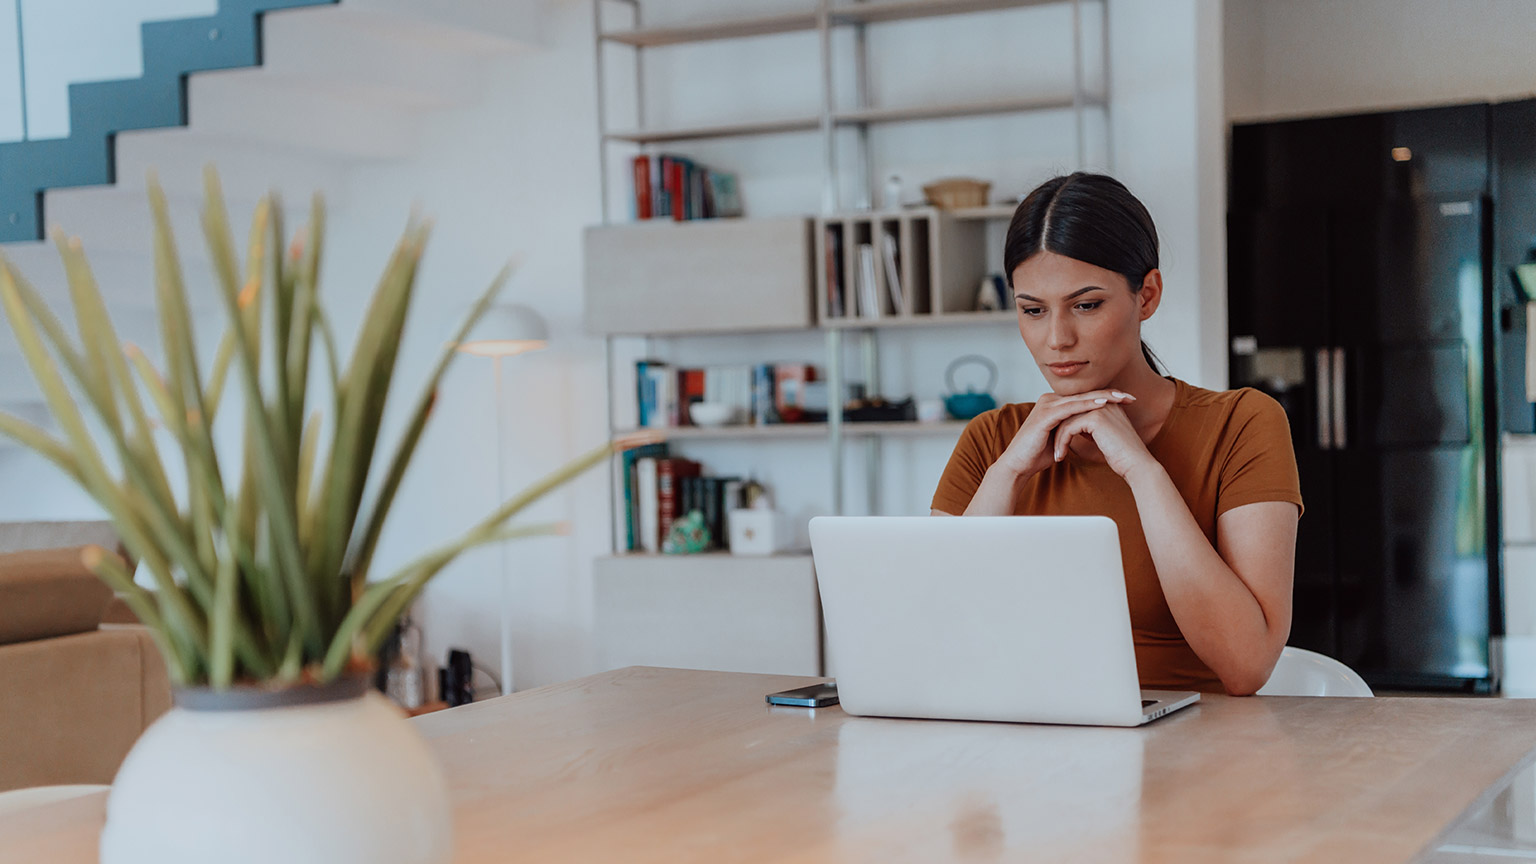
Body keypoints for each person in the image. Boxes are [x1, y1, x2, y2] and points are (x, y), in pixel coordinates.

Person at [929, 172, 1302, 695]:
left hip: (1199, 748)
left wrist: (1143, 472)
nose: (1056, 339)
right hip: (1021, 742)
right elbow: (933, 641)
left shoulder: (1241, 423)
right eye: (1033, 310)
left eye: (1086, 305)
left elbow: (1246, 666)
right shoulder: (994, 440)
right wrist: (1008, 472)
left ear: (1146, 296)